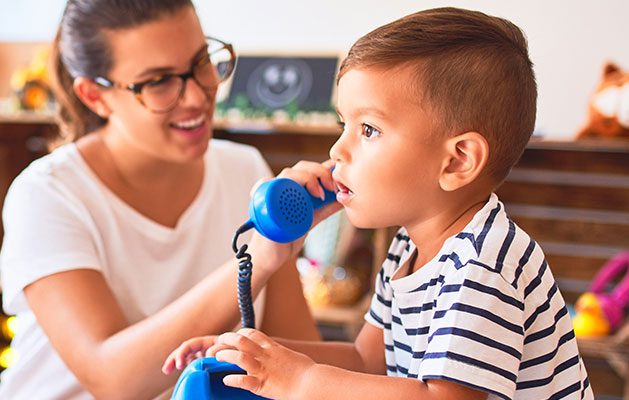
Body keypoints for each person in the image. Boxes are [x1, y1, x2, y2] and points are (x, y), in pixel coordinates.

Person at [166, 7, 592, 400]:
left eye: (368, 129)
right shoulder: (409, 247)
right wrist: (256, 352)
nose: (337, 151)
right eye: (343, 124)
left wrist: (301, 380)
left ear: (458, 160)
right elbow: (369, 361)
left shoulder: (483, 265)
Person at [0, 1, 326, 398]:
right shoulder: (48, 194)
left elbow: (301, 359)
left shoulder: (245, 171)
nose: (197, 96)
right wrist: (256, 261)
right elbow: (110, 378)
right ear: (94, 95)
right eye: (158, 81)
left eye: (201, 60)